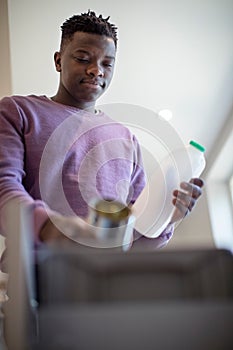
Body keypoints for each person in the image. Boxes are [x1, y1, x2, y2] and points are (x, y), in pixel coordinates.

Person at [0, 10, 204, 267]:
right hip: (35, 274)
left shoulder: (126, 139)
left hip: (105, 280)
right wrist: (53, 230)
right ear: (58, 61)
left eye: (107, 64)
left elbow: (135, 238)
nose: (96, 70)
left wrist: (166, 220)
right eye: (83, 58)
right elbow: (3, 189)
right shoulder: (18, 112)